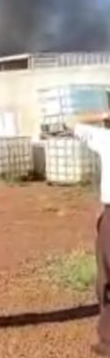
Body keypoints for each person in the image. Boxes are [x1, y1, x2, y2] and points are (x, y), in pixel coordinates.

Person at [75, 124, 110, 356]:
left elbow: (73, 124)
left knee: (106, 278)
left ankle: (108, 339)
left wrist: (102, 116)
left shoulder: (105, 138)